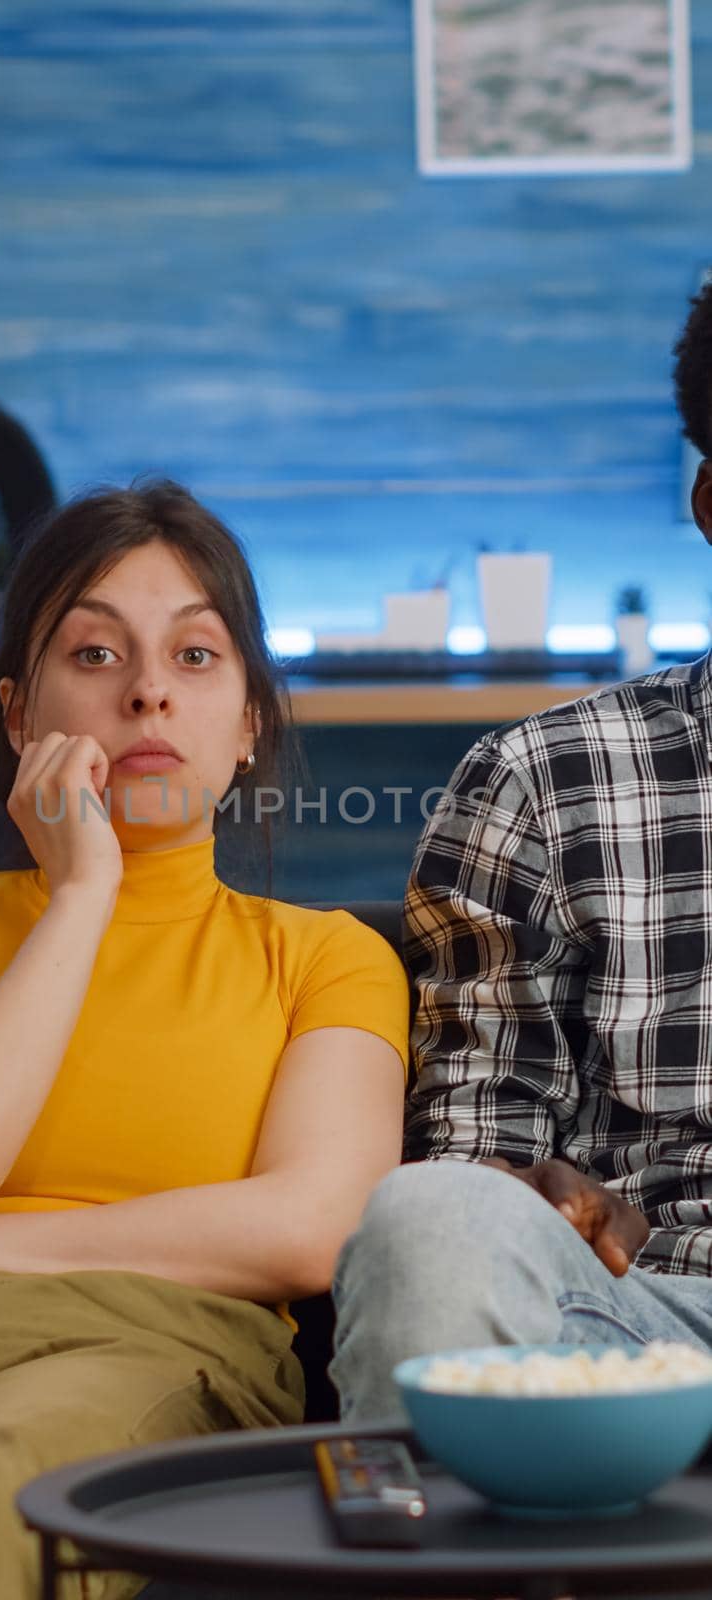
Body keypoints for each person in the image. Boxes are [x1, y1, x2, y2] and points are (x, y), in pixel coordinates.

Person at [0, 480, 409, 1597]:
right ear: (16, 716)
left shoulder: (327, 957)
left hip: (159, 1351)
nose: (145, 696)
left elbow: (310, 1230)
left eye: (194, 658)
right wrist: (82, 890)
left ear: (248, 726)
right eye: (94, 655)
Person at [327, 278, 712, 1425]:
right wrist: (538, 1205)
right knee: (433, 1219)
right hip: (648, 1326)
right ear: (711, 500)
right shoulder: (543, 783)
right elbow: (475, 1160)